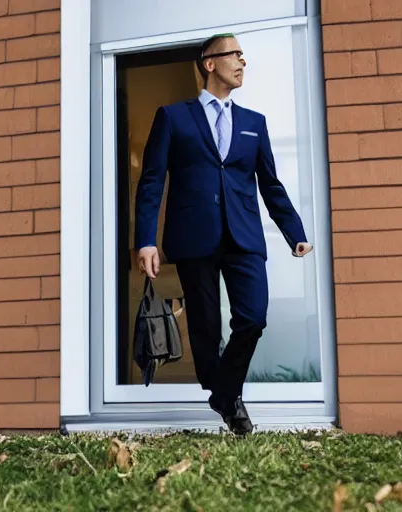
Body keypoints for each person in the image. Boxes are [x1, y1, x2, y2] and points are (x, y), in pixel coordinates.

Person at [134, 33, 313, 435]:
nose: (243, 62)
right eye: (235, 54)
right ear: (209, 63)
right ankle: (231, 403)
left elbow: (270, 184)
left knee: (252, 317)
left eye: (244, 56)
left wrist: (293, 231)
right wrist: (146, 239)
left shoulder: (254, 123)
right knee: (206, 328)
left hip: (244, 235)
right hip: (194, 234)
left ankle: (223, 394)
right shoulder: (173, 117)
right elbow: (150, 182)